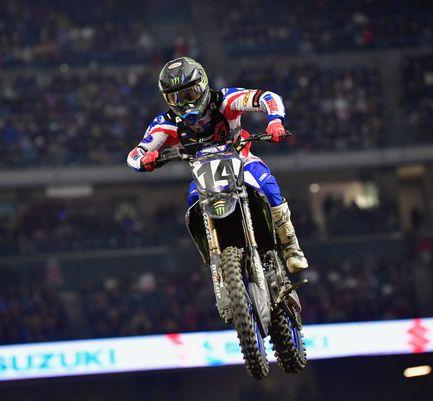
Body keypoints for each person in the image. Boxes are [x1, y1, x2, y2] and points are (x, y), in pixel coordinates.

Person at [127, 57, 308, 273]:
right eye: (176, 97)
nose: (185, 103)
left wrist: (275, 121)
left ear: (203, 84)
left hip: (241, 160)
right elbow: (136, 153)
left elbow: (267, 97)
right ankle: (214, 258)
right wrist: (143, 160)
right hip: (203, 172)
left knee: (268, 187)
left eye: (190, 93)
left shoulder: (225, 99)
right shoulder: (166, 122)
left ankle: (290, 247)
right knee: (193, 202)